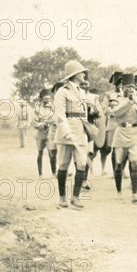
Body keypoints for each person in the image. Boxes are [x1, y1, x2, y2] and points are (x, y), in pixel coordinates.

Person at [108, 73, 137, 203]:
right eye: (128, 86)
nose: (131, 89)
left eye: (132, 86)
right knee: (118, 164)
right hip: (121, 132)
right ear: (123, 88)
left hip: (135, 132)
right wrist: (130, 101)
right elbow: (116, 113)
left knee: (135, 164)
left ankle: (135, 194)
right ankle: (119, 191)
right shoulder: (118, 99)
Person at [53, 60, 90, 208]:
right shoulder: (62, 92)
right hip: (65, 134)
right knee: (63, 165)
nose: (84, 75)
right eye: (82, 73)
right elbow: (59, 114)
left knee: (81, 164)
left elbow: (84, 114)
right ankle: (62, 198)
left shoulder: (82, 92)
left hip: (80, 133)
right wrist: (67, 132)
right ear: (75, 75)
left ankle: (76, 197)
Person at [33, 89, 56, 177]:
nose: (48, 100)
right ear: (41, 99)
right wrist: (43, 124)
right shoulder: (38, 109)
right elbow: (34, 123)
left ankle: (54, 173)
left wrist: (50, 122)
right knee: (40, 153)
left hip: (50, 134)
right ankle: (40, 174)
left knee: (52, 154)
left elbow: (55, 120)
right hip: (40, 135)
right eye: (46, 98)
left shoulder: (53, 108)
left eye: (49, 98)